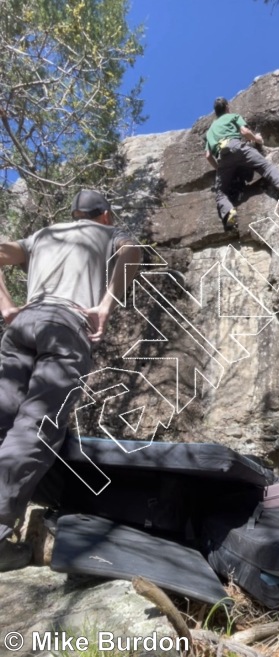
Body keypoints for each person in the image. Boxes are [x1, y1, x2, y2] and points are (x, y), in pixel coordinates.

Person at [0, 189, 141, 571]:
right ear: (106, 216)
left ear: (75, 213)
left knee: (3, 418)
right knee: (37, 423)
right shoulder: (110, 234)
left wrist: (8, 307)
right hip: (65, 325)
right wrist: (106, 304)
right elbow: (132, 254)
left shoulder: (44, 235)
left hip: (23, 325)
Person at [205, 97, 279, 229]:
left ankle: (229, 213)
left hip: (222, 157)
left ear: (216, 112)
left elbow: (208, 156)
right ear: (227, 107)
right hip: (237, 147)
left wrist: (219, 169)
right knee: (265, 166)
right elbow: (244, 132)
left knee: (221, 193)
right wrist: (257, 139)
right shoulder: (233, 116)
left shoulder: (210, 131)